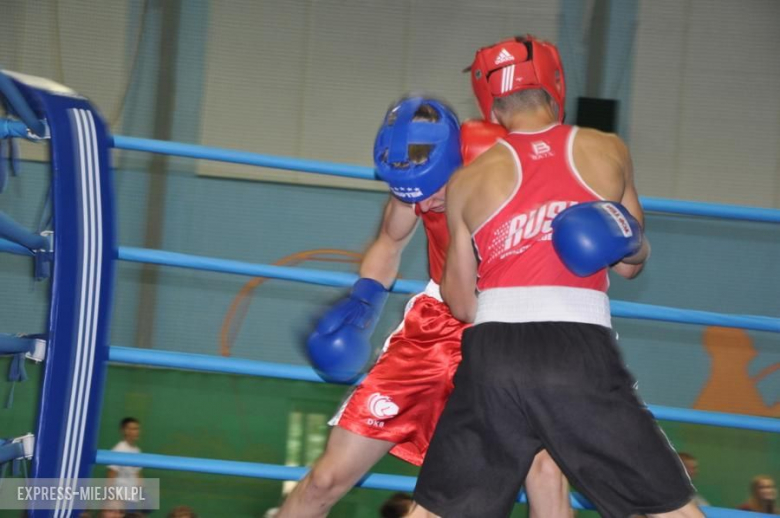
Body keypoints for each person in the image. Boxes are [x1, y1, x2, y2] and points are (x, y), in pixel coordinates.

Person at [408, 36, 702, 518]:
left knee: (438, 510)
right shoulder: (606, 150)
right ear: (555, 83)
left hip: (493, 357)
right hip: (576, 351)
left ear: (490, 103)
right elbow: (632, 262)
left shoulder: (466, 181)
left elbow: (460, 304)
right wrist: (624, 238)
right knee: (664, 507)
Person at [277, 97, 570, 518]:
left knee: (544, 472)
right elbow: (391, 241)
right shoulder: (411, 175)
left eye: (433, 191)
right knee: (326, 478)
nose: (425, 204)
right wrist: (365, 299)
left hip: (512, 322)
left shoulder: (506, 161)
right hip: (436, 324)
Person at [106, 417, 145, 513]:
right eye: (133, 429)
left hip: (132, 499)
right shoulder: (119, 449)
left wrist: (142, 493)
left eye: (137, 428)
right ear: (124, 431)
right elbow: (111, 474)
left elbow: (137, 474)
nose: (136, 432)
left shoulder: (137, 450)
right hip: (120, 499)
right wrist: (109, 497)